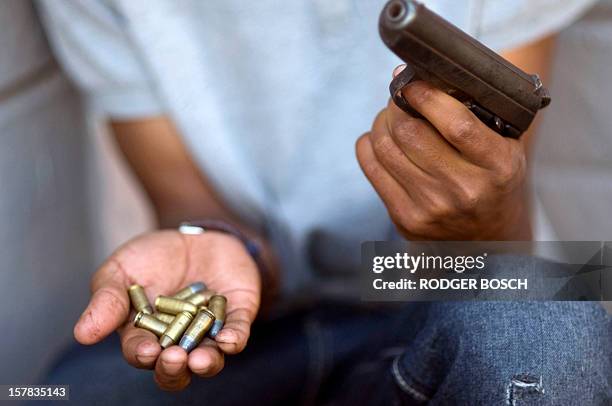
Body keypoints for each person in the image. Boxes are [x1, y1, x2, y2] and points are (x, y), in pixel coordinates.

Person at [37, 0, 611, 404]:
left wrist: (486, 232)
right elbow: (184, 198)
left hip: (435, 303)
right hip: (258, 322)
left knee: (550, 337)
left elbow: (498, 241)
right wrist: (220, 245)